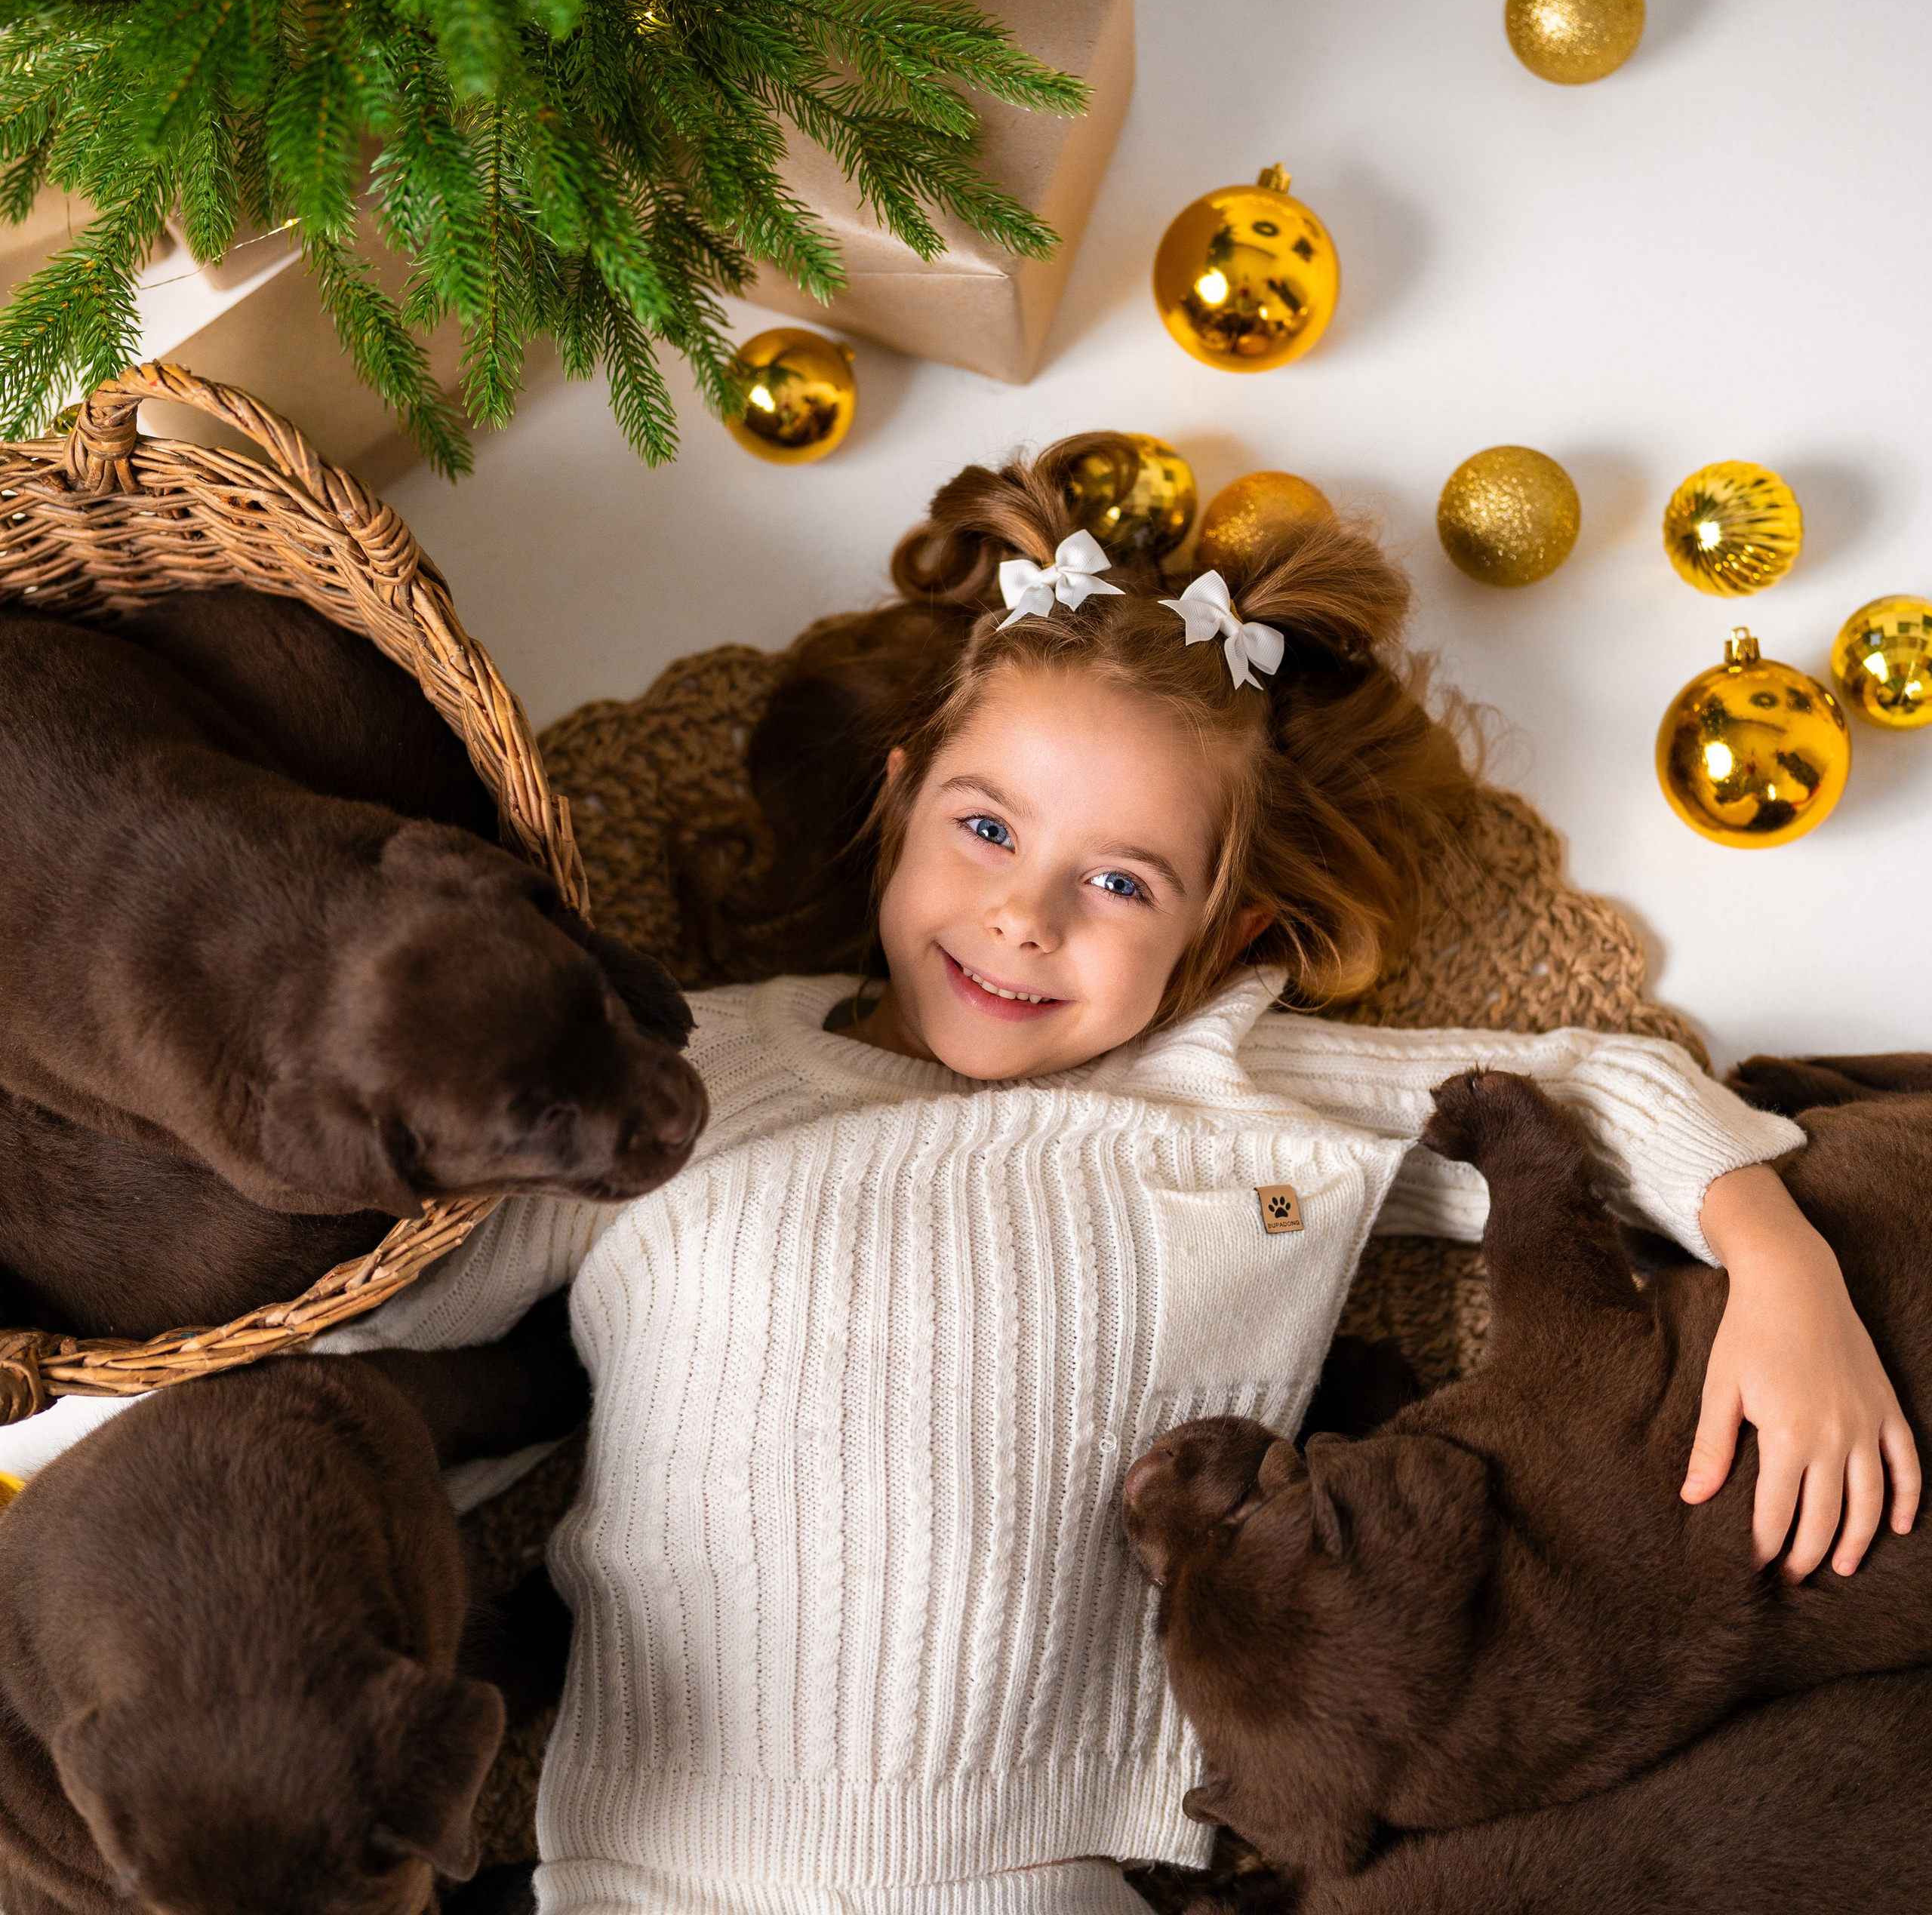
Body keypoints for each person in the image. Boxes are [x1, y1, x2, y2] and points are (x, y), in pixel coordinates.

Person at [356, 435, 1917, 1913]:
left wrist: (1776, 1258)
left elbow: (1592, 1086)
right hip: (642, 1857)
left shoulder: (1231, 1097)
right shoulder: (683, 1066)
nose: (1026, 913)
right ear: (896, 805)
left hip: (1041, 1869)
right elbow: (397, 1318)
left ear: (1220, 935)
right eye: (983, 828)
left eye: (1118, 881)